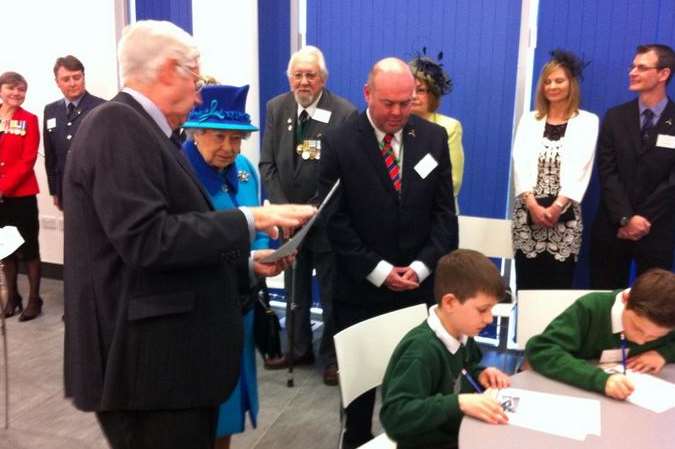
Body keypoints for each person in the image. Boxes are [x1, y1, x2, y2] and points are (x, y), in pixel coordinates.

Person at [62, 20, 315, 449]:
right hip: (146, 372)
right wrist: (248, 220)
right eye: (194, 79)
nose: (199, 94)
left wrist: (249, 262)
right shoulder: (116, 126)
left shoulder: (144, 132)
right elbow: (147, 239)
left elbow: (170, 242)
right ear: (166, 72)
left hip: (164, 366)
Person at [319, 57, 458, 449]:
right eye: (388, 103)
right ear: (367, 94)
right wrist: (379, 270)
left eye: (406, 102)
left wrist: (420, 266)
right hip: (360, 291)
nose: (398, 113)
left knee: (420, 400)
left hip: (418, 292)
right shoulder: (340, 141)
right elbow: (334, 221)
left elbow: (445, 215)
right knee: (359, 407)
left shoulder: (431, 139)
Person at [182, 83, 286, 449]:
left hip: (240, 308)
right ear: (196, 132)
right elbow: (186, 247)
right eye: (220, 136)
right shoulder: (180, 175)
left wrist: (268, 250)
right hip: (201, 317)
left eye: (238, 138)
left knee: (229, 409)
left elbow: (255, 223)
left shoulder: (243, 168)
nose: (230, 147)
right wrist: (249, 262)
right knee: (202, 413)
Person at [259, 45, 356, 384]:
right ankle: (299, 348)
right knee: (294, 289)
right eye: (297, 75)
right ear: (290, 78)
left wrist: (312, 211)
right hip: (289, 225)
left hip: (326, 222)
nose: (303, 81)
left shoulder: (344, 113)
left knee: (331, 295)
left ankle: (333, 359)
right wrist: (285, 212)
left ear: (322, 79)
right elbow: (267, 165)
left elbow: (346, 173)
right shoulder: (276, 108)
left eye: (310, 75)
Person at [380, 249, 510, 449]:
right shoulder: (420, 352)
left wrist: (480, 374)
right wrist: (459, 403)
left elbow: (463, 370)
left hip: (458, 433)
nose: (489, 318)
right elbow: (395, 417)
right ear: (450, 302)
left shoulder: (461, 333)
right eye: (483, 309)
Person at [511, 50, 599, 290]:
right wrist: (533, 205)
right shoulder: (530, 120)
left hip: (565, 215)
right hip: (528, 213)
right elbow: (520, 162)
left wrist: (557, 206)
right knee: (527, 287)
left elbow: (583, 166)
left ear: (571, 84)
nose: (552, 86)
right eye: (547, 81)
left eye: (559, 80)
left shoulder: (587, 121)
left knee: (557, 287)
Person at [590, 44, 675, 289]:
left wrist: (643, 219)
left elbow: (672, 182)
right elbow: (607, 172)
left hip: (657, 230)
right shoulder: (615, 117)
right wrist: (626, 218)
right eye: (632, 66)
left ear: (663, 74)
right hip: (612, 227)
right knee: (605, 300)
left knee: (654, 305)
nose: (632, 72)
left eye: (642, 67)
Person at [526, 268, 675, 400]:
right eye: (637, 328)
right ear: (626, 299)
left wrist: (663, 354)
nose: (641, 341)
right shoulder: (590, 308)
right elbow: (542, 350)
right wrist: (600, 380)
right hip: (573, 394)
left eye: (654, 337)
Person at [0, 71, 43, 322]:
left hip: (22, 194)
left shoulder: (30, 119)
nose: (16, 93)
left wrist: (3, 187)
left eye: (21, 90)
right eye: (11, 88)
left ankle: (34, 299)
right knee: (6, 247)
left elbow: (28, 160)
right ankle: (13, 296)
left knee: (29, 249)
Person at [43, 55, 105, 211]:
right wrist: (54, 191)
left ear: (83, 77)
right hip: (65, 188)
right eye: (66, 79)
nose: (72, 83)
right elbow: (51, 155)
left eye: (76, 77)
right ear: (57, 83)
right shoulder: (51, 110)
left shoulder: (103, 108)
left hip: (96, 190)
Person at [409, 51, 465, 208]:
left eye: (420, 90)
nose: (413, 96)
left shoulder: (449, 127)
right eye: (409, 89)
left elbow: (453, 181)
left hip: (437, 211)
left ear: (433, 94)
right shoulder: (396, 125)